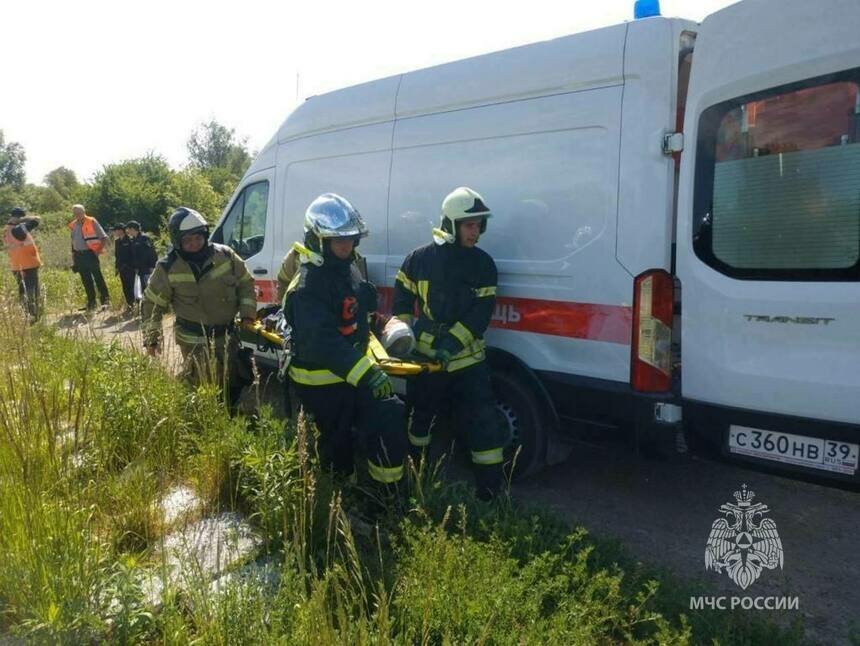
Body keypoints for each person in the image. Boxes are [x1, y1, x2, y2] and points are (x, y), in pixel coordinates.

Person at [284, 193, 407, 488]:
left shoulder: (346, 268)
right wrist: (368, 373)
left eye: (351, 239)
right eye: (338, 240)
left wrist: (373, 315)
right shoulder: (307, 284)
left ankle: (386, 498)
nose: (346, 245)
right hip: (320, 381)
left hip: (349, 373)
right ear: (317, 239)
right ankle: (340, 498)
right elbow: (322, 343)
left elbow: (352, 321)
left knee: (388, 414)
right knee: (337, 445)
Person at [393, 187, 506, 500]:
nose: (476, 232)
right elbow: (402, 300)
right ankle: (418, 480)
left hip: (469, 361)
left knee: (483, 423)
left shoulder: (483, 265)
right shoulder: (417, 260)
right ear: (451, 224)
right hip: (426, 361)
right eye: (470, 225)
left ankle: (490, 494)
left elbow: (479, 315)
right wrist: (403, 335)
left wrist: (451, 345)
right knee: (420, 420)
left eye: (479, 225)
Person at [140, 207, 256, 412]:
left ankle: (229, 419)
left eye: (198, 238)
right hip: (194, 341)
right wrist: (151, 339)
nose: (194, 244)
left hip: (228, 337)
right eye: (187, 240)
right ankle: (205, 424)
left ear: (205, 235)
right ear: (178, 241)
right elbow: (151, 304)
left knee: (233, 381)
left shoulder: (225, 255)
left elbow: (246, 282)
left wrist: (247, 313)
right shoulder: (167, 267)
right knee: (203, 387)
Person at [3, 207, 42, 322]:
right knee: (31, 290)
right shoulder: (18, 229)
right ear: (20, 217)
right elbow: (37, 220)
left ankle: (25, 315)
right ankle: (33, 316)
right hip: (27, 264)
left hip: (16, 265)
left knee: (22, 290)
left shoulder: (6, 230)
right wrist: (23, 219)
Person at [68, 204, 109, 311]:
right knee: (86, 280)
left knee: (98, 278)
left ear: (84, 212)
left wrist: (96, 252)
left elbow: (104, 238)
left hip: (90, 254)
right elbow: (73, 242)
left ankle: (105, 302)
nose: (77, 215)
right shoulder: (73, 225)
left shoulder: (91, 221)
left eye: (79, 213)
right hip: (78, 255)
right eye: (75, 213)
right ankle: (91, 303)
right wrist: (74, 258)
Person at [126, 220, 157, 299]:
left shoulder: (144, 238)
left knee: (149, 288)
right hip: (140, 270)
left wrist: (152, 266)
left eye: (128, 229)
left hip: (147, 268)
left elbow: (152, 253)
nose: (127, 231)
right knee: (143, 289)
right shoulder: (133, 239)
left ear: (132, 229)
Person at [111, 222, 136, 312]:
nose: (114, 232)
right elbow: (117, 256)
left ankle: (135, 305)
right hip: (122, 268)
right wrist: (116, 268)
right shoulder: (117, 242)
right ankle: (130, 306)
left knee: (132, 286)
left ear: (121, 231)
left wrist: (134, 266)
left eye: (116, 230)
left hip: (130, 268)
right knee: (125, 287)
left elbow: (133, 254)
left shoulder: (130, 240)